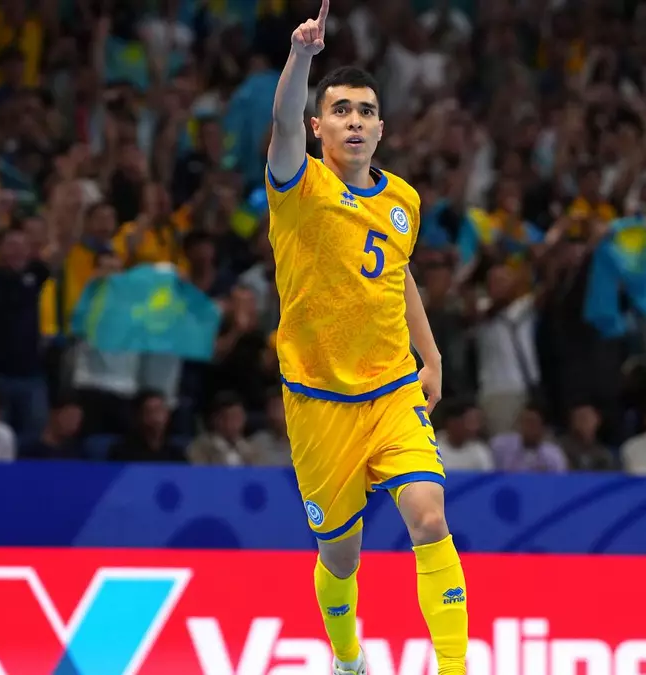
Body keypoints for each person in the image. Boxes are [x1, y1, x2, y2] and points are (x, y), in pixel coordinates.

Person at [264, 2, 467, 674]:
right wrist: (301, 56)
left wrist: (430, 355)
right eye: (341, 110)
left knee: (429, 516)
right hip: (319, 397)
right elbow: (280, 122)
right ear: (318, 126)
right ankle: (348, 659)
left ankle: (455, 667)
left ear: (381, 128)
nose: (354, 121)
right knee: (340, 556)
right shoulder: (298, 185)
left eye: (366, 112)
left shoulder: (403, 200)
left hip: (390, 387)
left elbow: (396, 276)